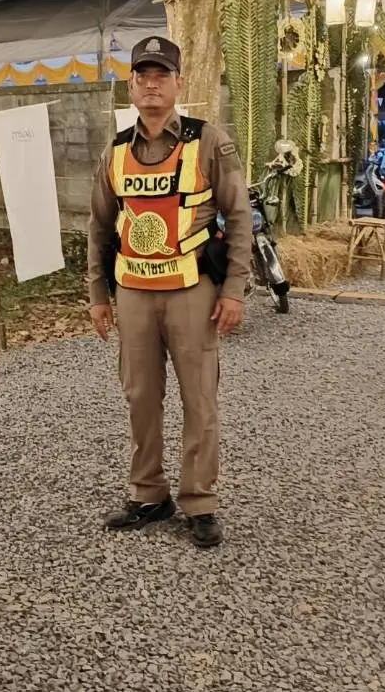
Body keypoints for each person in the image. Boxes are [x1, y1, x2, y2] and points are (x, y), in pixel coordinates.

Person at [87, 35, 253, 550]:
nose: (152, 84)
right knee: (140, 396)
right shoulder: (116, 151)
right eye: (143, 75)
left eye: (161, 75)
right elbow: (99, 227)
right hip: (133, 292)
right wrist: (97, 294)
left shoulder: (209, 142)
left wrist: (235, 289)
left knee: (199, 398)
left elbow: (239, 215)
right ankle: (148, 493)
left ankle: (199, 500)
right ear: (131, 86)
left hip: (191, 291)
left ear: (179, 83)